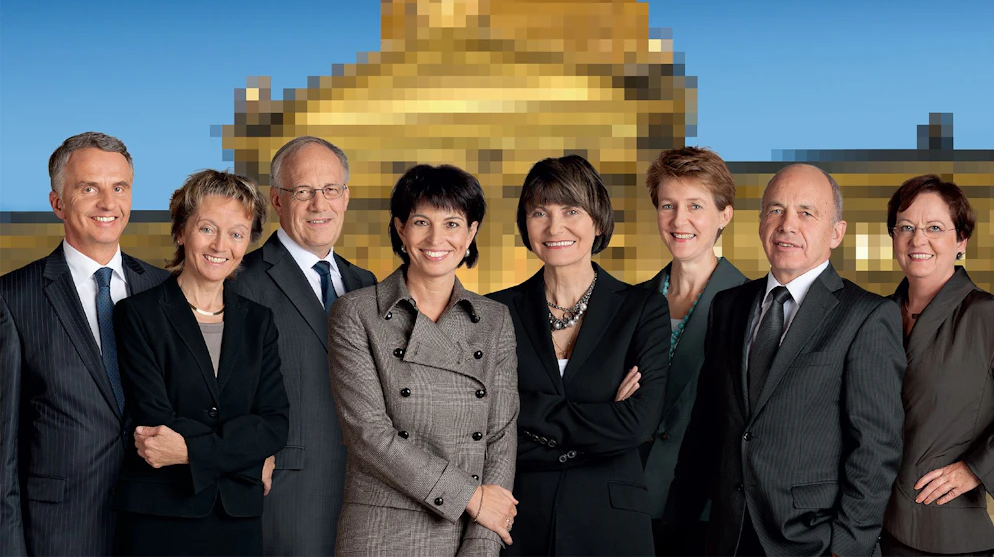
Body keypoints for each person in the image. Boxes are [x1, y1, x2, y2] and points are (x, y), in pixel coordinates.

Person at [665, 163, 906, 556]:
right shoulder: (729, 306)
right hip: (724, 535)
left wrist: (844, 547)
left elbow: (876, 448)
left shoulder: (866, 316)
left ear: (836, 232)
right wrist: (677, 525)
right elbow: (705, 428)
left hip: (811, 540)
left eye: (806, 213)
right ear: (761, 223)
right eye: (775, 210)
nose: (787, 224)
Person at [329, 164, 518, 557]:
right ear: (400, 229)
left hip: (471, 530)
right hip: (382, 532)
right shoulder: (357, 312)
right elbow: (369, 436)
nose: (436, 238)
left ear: (472, 232)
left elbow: (500, 436)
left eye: (452, 223)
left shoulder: (495, 318)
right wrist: (470, 496)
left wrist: (484, 538)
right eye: (421, 222)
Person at [487, 155, 671, 556]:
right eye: (540, 212)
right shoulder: (494, 312)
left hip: (610, 521)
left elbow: (636, 425)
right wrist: (602, 416)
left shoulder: (643, 309)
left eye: (571, 210)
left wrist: (525, 410)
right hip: (519, 519)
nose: (555, 227)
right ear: (525, 224)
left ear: (599, 221)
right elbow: (484, 424)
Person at [0, 132, 168, 556]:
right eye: (89, 188)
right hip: (59, 531)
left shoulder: (166, 290)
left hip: (157, 525)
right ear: (57, 202)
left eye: (119, 188)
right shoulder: (13, 299)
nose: (108, 204)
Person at [110, 169, 289, 556]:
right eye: (207, 228)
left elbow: (274, 423)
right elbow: (154, 419)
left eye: (237, 233)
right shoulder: (138, 314)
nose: (221, 245)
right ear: (180, 231)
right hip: (161, 520)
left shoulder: (259, 322)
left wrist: (190, 451)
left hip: (237, 522)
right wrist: (245, 463)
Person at [233, 136, 376, 555]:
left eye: (330, 189)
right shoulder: (241, 281)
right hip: (287, 497)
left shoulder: (367, 284)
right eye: (303, 192)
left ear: (345, 197)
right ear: (277, 200)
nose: (319, 204)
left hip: (372, 500)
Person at [880, 174, 994, 556]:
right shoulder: (876, 315)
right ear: (893, 237)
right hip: (869, 528)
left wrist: (977, 469)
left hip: (944, 534)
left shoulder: (991, 318)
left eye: (934, 228)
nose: (918, 239)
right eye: (906, 226)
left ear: (961, 241)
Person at [639, 147, 747, 555]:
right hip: (625, 500)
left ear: (724, 215)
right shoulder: (631, 303)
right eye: (668, 205)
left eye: (695, 206)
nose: (679, 220)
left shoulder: (751, 303)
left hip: (704, 512)